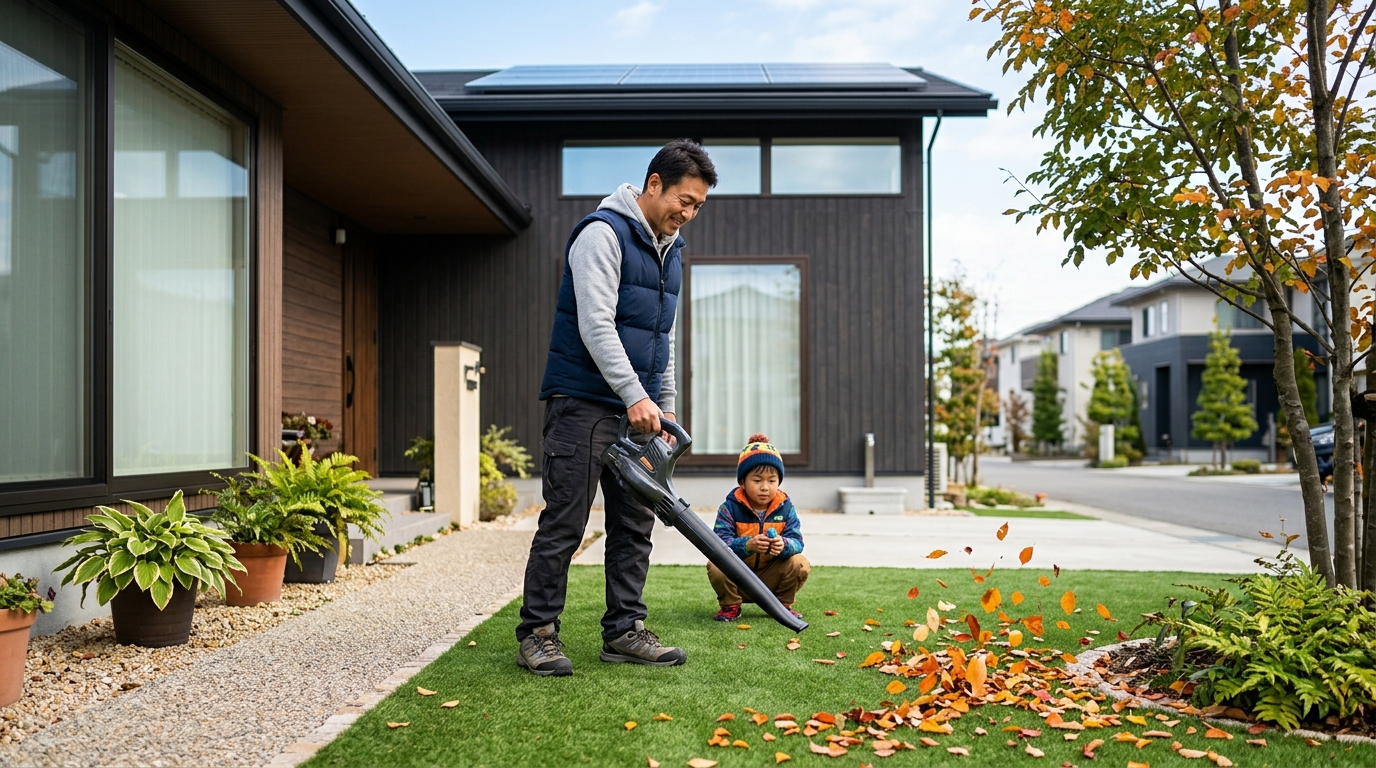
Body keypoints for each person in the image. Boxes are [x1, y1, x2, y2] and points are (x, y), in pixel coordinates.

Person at [516, 140, 717, 677]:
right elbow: (596, 324)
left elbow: (661, 340)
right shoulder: (602, 234)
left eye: (698, 206)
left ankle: (625, 631)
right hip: (583, 404)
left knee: (634, 525)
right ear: (654, 184)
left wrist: (664, 412)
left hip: (639, 413)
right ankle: (538, 633)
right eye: (683, 200)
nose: (688, 213)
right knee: (565, 522)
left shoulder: (670, 251)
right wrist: (636, 397)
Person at [707, 434, 809, 621]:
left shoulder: (786, 507)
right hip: (739, 578)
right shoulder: (729, 508)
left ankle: (782, 606)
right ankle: (730, 605)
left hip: (771, 579)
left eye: (772, 480)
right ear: (742, 482)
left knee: (799, 562)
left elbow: (797, 542)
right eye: (757, 480)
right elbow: (718, 544)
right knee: (715, 564)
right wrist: (748, 545)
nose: (765, 487)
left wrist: (783, 545)